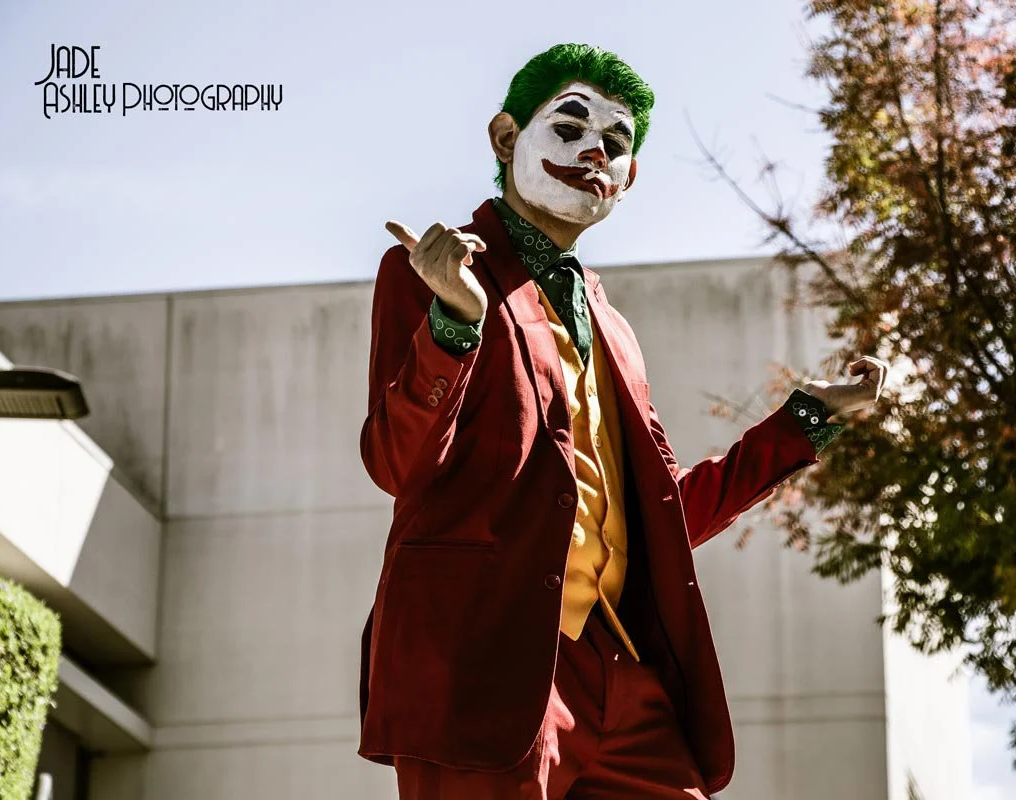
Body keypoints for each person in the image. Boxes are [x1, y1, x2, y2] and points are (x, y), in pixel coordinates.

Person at [357, 42, 889, 800]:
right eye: (569, 129)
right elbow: (394, 463)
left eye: (614, 142)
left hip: (620, 672)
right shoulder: (438, 274)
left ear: (628, 179)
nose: (592, 153)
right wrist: (454, 327)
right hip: (480, 666)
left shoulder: (614, 326)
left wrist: (806, 421)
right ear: (506, 138)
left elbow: (663, 513)